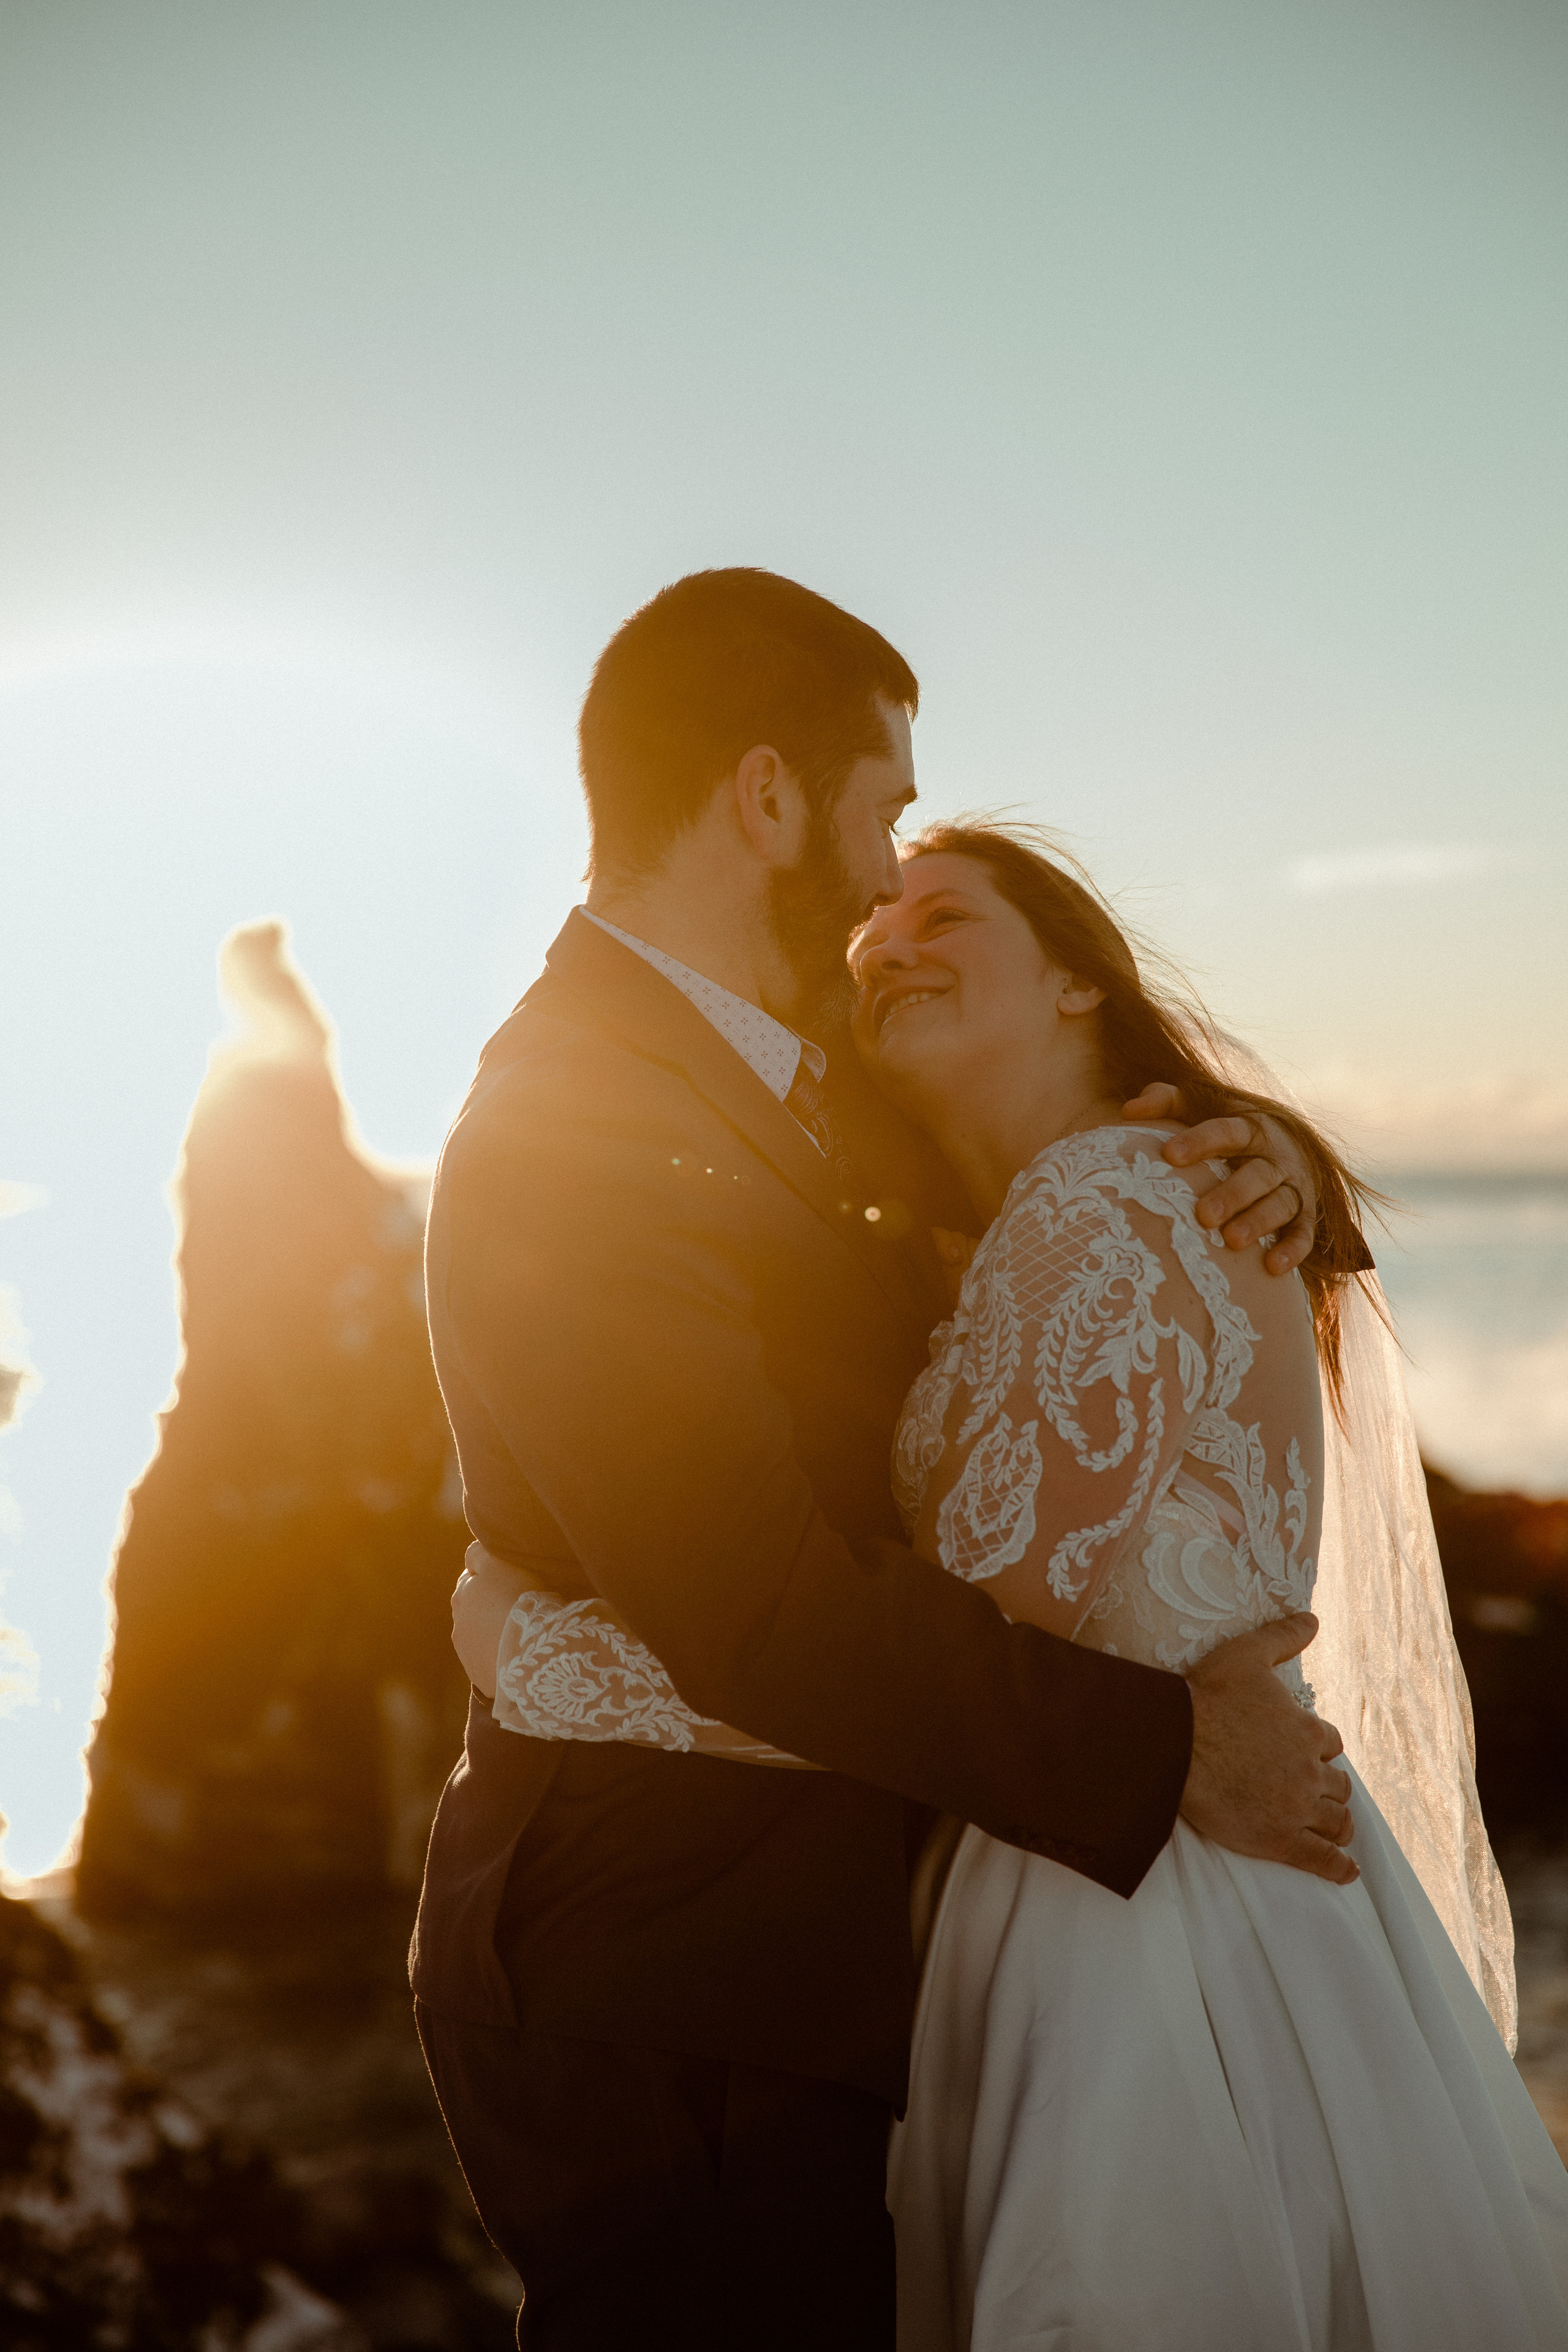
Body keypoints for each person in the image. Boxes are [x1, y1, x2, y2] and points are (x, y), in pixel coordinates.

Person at [417, 567, 1350, 2350]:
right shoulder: (575, 1120)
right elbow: (756, 1605)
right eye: (882, 812)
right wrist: (1167, 1753)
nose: (880, 886)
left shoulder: (763, 1086)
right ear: (766, 799)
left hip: (797, 1959)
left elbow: (1045, 1191)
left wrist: (1265, 1157)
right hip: (665, 1977)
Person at [848, 821, 1568, 2350]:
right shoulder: (1103, 1201)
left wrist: (563, 1644)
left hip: (1128, 1911)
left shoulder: (1101, 1203)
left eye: (940, 917)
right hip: (1208, 1865)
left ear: (1072, 987)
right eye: (865, 939)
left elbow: (979, 1630)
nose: (885, 948)